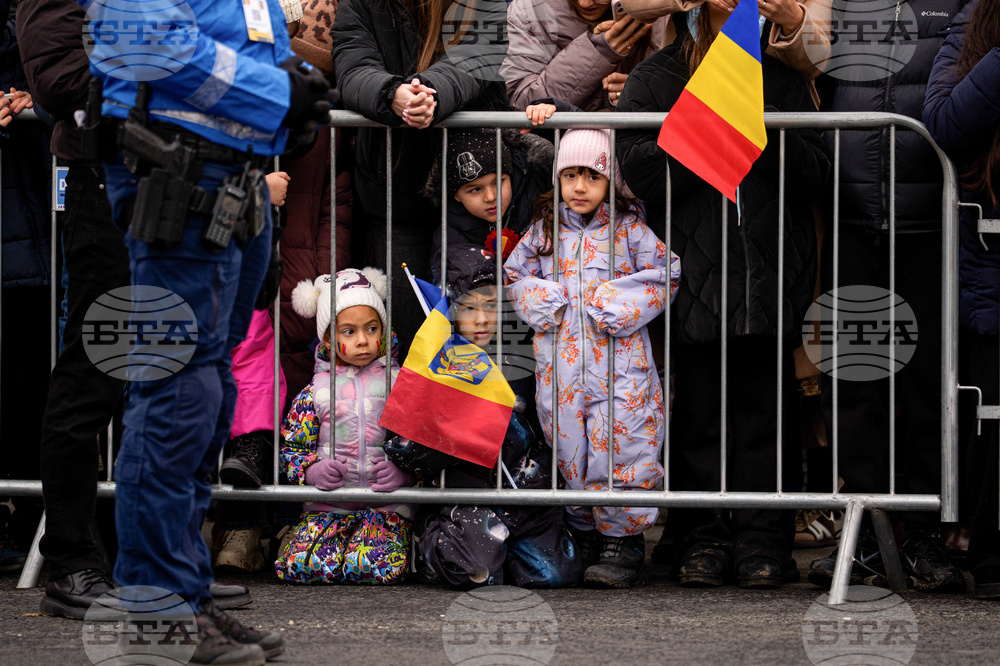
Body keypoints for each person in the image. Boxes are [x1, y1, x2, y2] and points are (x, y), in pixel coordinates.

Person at [90, 0, 334, 658]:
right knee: (176, 395)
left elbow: (253, 57)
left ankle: (186, 592)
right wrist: (281, 90)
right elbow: (155, 46)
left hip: (236, 186)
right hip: (178, 179)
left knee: (209, 396)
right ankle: (155, 602)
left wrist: (294, 87)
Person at [616, 5, 829, 588]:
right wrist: (709, 129)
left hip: (768, 269)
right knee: (700, 411)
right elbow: (638, 170)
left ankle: (765, 541)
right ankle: (703, 538)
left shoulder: (780, 76)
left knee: (767, 410)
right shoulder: (656, 77)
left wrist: (754, 126)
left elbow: (816, 170)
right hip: (694, 272)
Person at [802, 0, 969, 593]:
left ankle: (924, 530)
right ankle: (864, 526)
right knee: (856, 380)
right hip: (850, 212)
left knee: (926, 382)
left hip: (932, 216)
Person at [505, 129, 680, 588]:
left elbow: (667, 271)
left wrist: (614, 304)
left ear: (610, 181)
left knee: (625, 444)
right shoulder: (544, 231)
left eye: (592, 176)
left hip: (620, 368)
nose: (580, 187)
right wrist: (546, 301)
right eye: (570, 176)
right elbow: (515, 274)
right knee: (569, 444)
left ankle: (623, 538)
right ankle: (584, 530)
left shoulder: (629, 230)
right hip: (562, 369)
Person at [385, 244, 581, 588]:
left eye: (491, 306)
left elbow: (546, 428)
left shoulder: (524, 355)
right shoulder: (436, 362)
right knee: (478, 573)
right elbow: (403, 444)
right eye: (468, 307)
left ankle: (505, 550)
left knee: (553, 575)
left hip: (524, 492)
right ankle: (432, 536)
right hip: (469, 495)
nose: (481, 319)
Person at [332, 0, 509, 357]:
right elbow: (352, 65)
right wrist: (391, 95)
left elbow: (477, 57)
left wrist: (425, 93)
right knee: (409, 343)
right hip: (395, 194)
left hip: (477, 199)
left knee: (485, 347)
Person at [923, 0, 1000, 600]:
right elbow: (943, 123)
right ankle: (992, 552)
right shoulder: (974, 22)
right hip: (989, 261)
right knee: (992, 411)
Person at [275, 268, 414, 583]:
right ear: (328, 338)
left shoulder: (400, 383)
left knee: (370, 568)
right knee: (302, 567)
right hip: (328, 506)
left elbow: (420, 442)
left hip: (387, 505)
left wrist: (405, 472)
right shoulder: (317, 390)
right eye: (349, 332)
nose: (363, 340)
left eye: (371, 328)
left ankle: (401, 543)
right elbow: (293, 445)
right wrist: (311, 471)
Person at [501, 0, 684, 111]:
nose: (585, 3)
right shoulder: (528, 11)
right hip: (557, 158)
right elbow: (519, 101)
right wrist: (597, 51)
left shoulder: (666, 12)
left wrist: (640, 92)